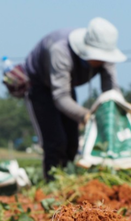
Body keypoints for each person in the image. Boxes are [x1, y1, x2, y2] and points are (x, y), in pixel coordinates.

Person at [24, 17, 126, 180]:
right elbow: (60, 97)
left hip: (66, 87)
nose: (101, 61)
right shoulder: (60, 51)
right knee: (56, 141)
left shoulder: (105, 60)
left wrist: (121, 113)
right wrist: (87, 116)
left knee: (72, 143)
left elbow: (111, 91)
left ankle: (67, 179)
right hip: (41, 86)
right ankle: (52, 184)